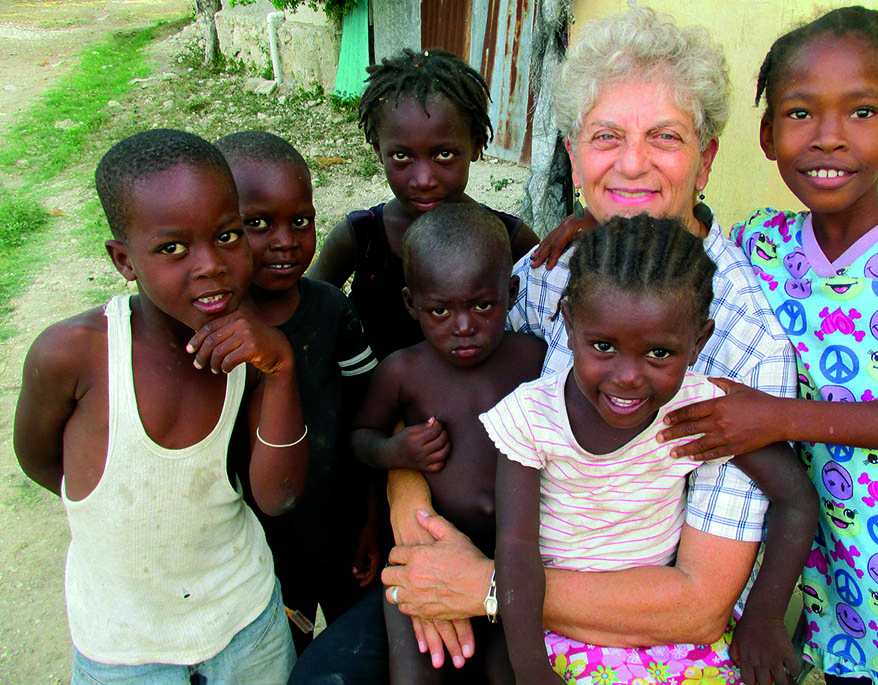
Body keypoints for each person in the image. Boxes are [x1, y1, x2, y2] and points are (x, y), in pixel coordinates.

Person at [383, 9, 806, 685]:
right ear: (576, 156)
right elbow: (427, 393)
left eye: (665, 137)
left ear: (707, 158)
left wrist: (484, 587)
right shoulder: (547, 271)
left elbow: (698, 604)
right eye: (606, 137)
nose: (632, 162)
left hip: (631, 646)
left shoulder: (742, 341)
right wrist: (412, 513)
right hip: (492, 586)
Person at [657, 6, 878, 683]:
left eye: (863, 113)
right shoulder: (761, 244)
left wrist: (778, 418)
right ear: (766, 134)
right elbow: (678, 239)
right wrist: (588, 220)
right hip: (829, 577)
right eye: (801, 113)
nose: (830, 138)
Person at [12, 129, 308, 682]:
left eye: (227, 235)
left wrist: (283, 370)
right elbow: (40, 462)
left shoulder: (253, 351)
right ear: (124, 260)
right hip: (123, 646)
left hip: (246, 624)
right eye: (173, 248)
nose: (210, 265)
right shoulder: (74, 354)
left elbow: (278, 496)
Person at [492, 215, 817, 684]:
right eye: (603, 346)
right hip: (544, 628)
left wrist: (765, 617)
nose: (627, 377)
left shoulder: (697, 412)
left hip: (660, 634)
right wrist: (531, 671)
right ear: (568, 325)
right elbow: (516, 549)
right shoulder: (532, 417)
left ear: (699, 341)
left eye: (659, 354)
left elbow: (796, 498)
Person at [350, 203, 547, 683]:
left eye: (483, 305)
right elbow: (361, 438)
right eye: (440, 310)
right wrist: (397, 452)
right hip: (428, 552)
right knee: (416, 672)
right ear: (411, 304)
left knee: (510, 670)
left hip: (514, 556)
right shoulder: (403, 372)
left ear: (511, 293)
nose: (463, 327)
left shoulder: (533, 359)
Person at [216, 130, 383, 654]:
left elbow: (370, 418)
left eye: (301, 221)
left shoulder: (333, 311)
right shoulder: (214, 333)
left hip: (343, 541)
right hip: (256, 563)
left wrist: (374, 517)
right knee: (285, 661)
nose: (286, 240)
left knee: (352, 656)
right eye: (257, 224)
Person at [306, 48, 539, 362]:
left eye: (444, 154)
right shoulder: (360, 238)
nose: (424, 179)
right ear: (378, 149)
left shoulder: (510, 239)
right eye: (402, 156)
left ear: (476, 144)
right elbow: (302, 310)